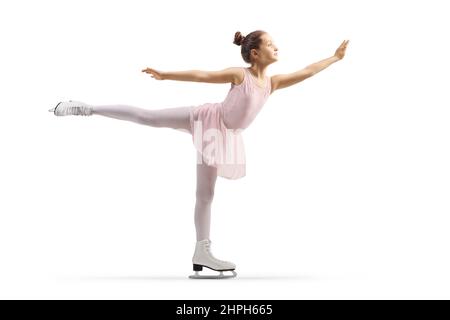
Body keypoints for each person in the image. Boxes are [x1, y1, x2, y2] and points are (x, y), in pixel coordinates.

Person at [48, 30, 349, 279]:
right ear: (255, 53)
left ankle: (201, 250)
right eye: (271, 44)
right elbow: (203, 75)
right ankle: (86, 108)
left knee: (205, 195)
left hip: (222, 137)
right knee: (149, 117)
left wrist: (334, 58)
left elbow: (307, 72)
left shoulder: (272, 83)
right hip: (208, 119)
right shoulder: (239, 75)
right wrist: (166, 75)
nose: (277, 47)